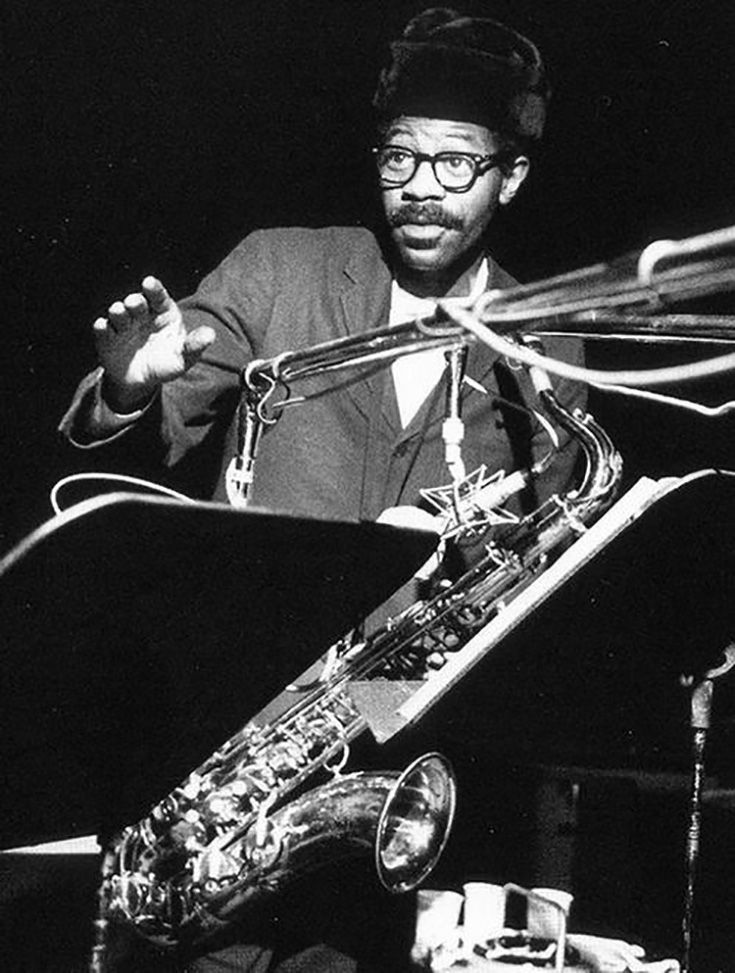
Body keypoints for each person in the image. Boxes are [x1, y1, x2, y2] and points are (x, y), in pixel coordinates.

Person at [60, 7, 587, 971]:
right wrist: (133, 383)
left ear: (511, 176)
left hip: (382, 792)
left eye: (455, 163)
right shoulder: (278, 267)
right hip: (210, 766)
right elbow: (140, 435)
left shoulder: (545, 350)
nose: (419, 192)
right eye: (398, 158)